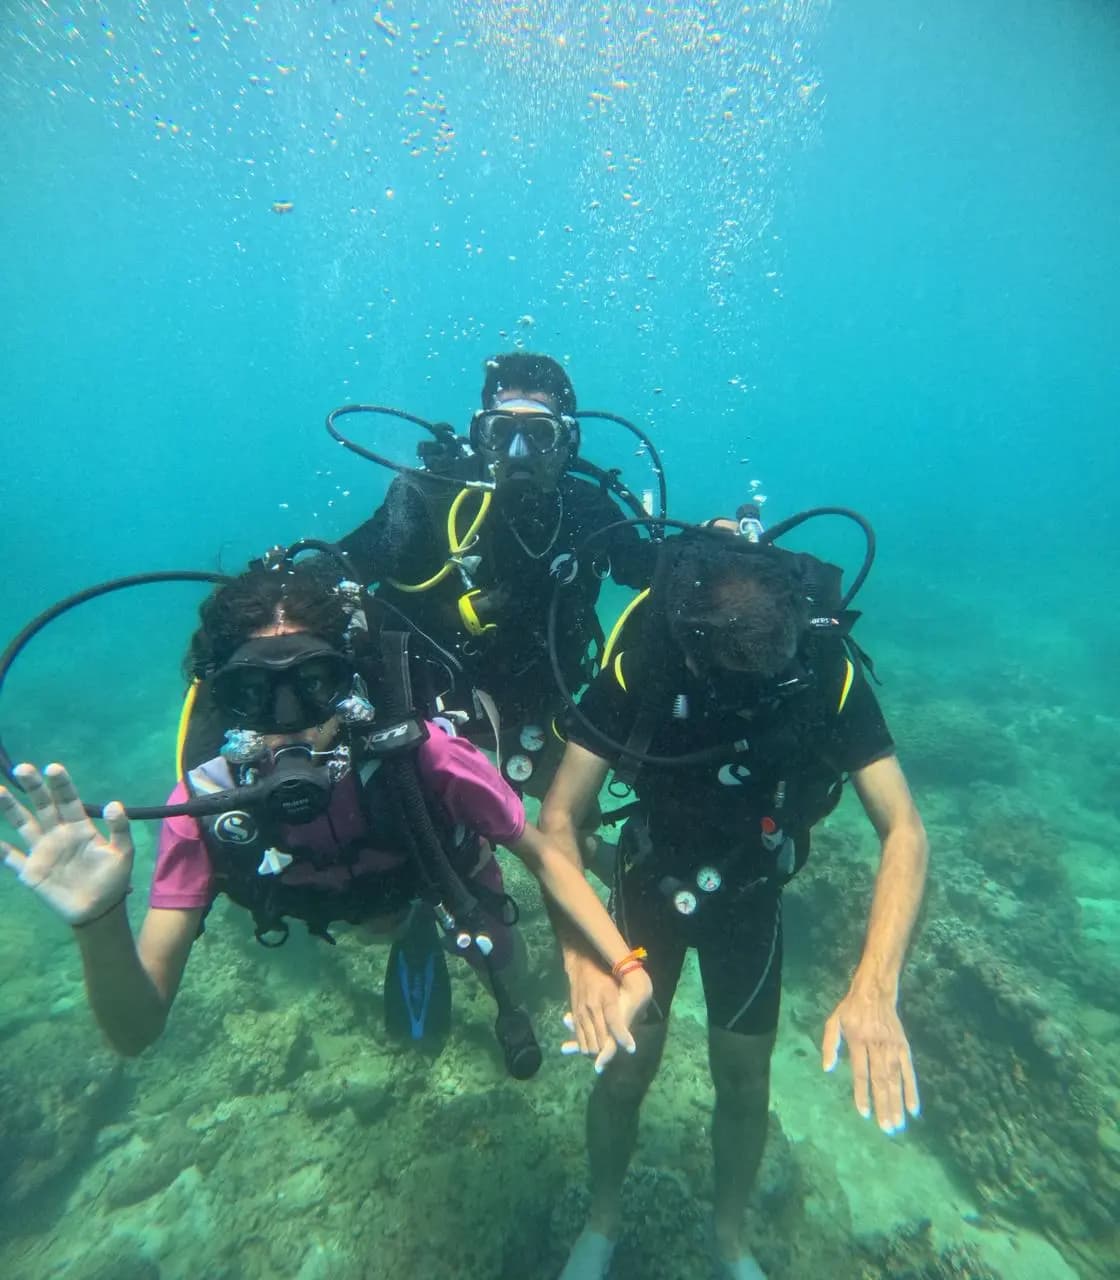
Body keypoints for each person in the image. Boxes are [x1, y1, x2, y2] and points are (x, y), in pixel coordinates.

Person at [0, 560, 651, 1075]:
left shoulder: (424, 755)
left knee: (502, 960)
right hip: (329, 903)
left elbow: (540, 852)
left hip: (439, 872)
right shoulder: (204, 808)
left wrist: (622, 965)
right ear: (222, 697)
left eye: (314, 684)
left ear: (351, 684)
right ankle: (412, 934)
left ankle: (425, 928)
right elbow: (137, 1032)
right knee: (397, 929)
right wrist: (99, 922)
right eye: (253, 694)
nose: (290, 723)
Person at [538, 518, 928, 1279]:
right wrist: (594, 960)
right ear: (695, 636)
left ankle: (730, 1241)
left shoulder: (820, 663)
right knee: (624, 1070)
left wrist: (876, 989)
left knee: (745, 1079)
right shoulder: (650, 650)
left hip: (751, 889)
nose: (754, 681)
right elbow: (557, 823)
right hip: (648, 878)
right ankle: (602, 1222)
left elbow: (905, 829)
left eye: (770, 656)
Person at [337, 352, 653, 800]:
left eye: (540, 434)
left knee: (575, 829)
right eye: (502, 432)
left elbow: (647, 567)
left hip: (538, 707)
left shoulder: (587, 509)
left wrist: (715, 552)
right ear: (478, 434)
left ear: (567, 441)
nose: (518, 452)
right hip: (426, 704)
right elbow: (351, 561)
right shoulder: (430, 498)